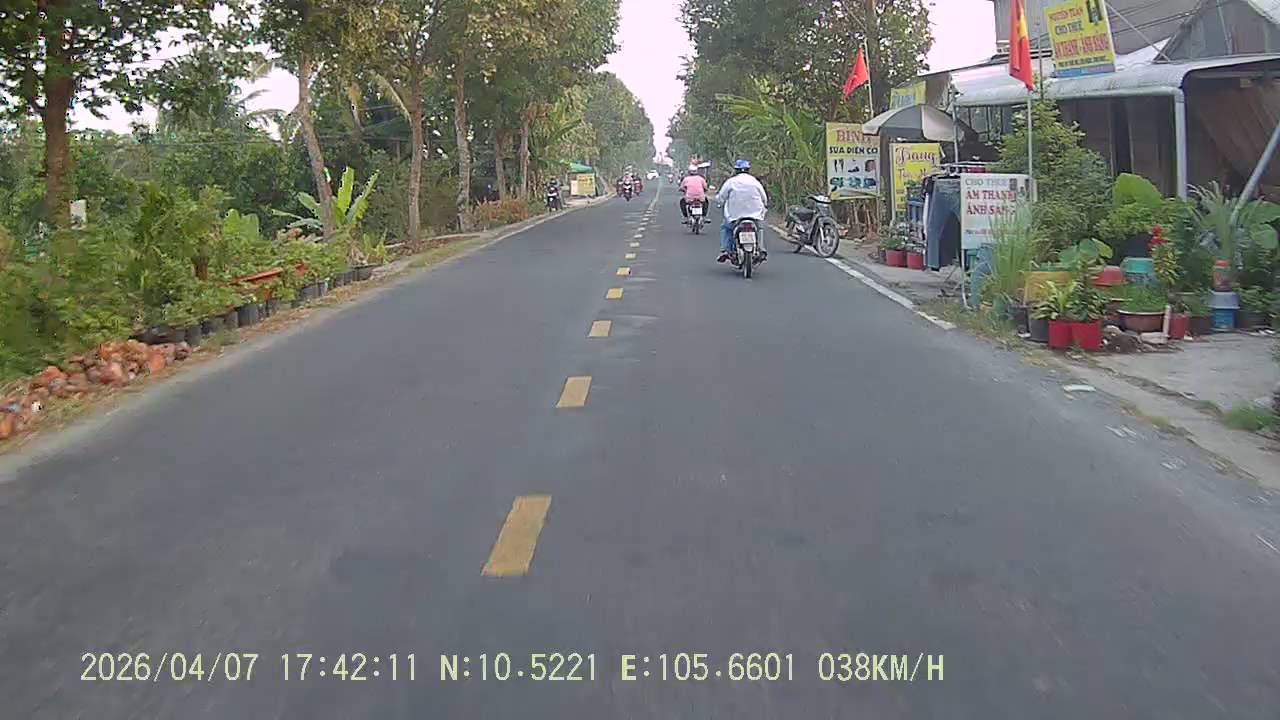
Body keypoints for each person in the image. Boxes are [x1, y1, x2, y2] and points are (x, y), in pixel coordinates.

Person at [715, 159, 768, 262]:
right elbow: (764, 198)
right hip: (755, 214)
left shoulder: (731, 182)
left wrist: (719, 202)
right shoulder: (755, 182)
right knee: (759, 228)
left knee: (726, 228)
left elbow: (721, 197)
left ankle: (725, 250)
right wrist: (764, 205)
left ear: (736, 170)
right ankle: (761, 249)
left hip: (735, 215)